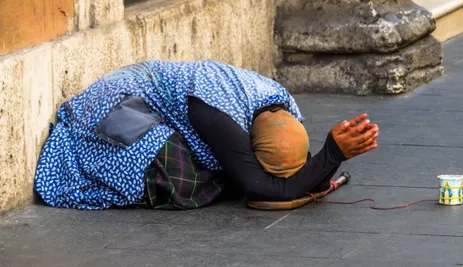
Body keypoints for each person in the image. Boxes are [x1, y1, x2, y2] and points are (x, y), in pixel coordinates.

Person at [34, 60, 379, 210]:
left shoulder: (281, 104)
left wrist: (328, 157)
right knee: (179, 176)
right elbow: (263, 189)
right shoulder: (219, 118)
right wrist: (332, 154)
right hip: (109, 109)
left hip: (163, 102)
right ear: (247, 148)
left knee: (218, 170)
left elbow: (294, 173)